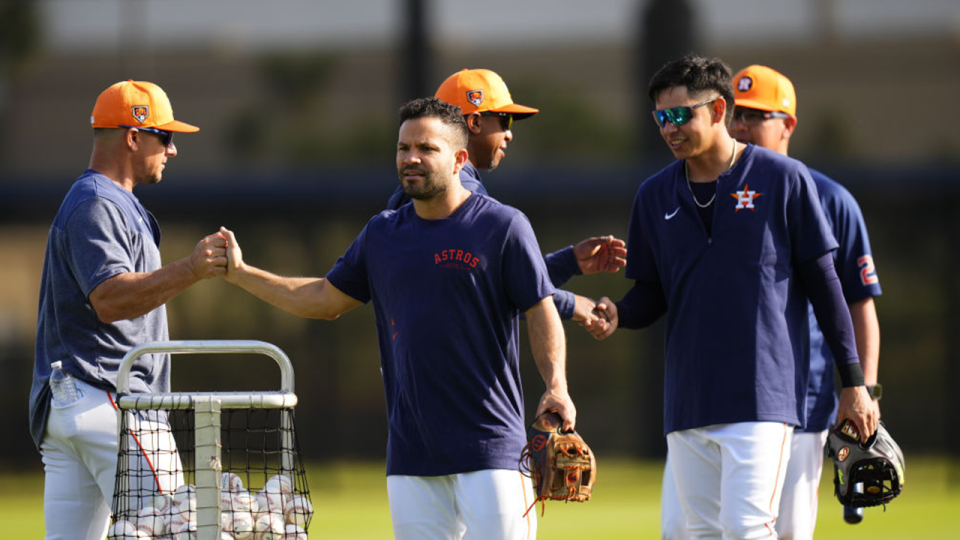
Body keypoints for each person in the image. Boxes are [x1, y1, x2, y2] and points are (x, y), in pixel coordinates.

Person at [221, 97, 576, 540]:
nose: (411, 158)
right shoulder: (382, 233)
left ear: (459, 158)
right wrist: (241, 274)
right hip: (412, 458)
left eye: (426, 148)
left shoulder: (503, 226)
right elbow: (324, 299)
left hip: (491, 449)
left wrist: (556, 385)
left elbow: (540, 308)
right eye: (403, 148)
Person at [585, 54, 879, 539]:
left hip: (763, 396)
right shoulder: (653, 195)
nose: (669, 128)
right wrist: (618, 312)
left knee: (748, 528)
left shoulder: (784, 179)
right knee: (700, 532)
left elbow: (829, 288)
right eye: (660, 117)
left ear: (719, 110)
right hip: (688, 401)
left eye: (681, 115)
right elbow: (652, 293)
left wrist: (855, 383)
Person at [28, 80, 227, 539]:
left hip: (76, 404)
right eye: (166, 136)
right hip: (110, 396)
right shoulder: (96, 202)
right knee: (178, 531)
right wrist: (192, 268)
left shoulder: (111, 201)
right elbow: (111, 299)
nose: (172, 150)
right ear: (133, 136)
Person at [387, 68, 627, 323]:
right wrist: (572, 304)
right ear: (475, 122)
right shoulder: (458, 190)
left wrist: (566, 263)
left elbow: (488, 274)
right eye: (505, 121)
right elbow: (499, 288)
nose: (509, 134)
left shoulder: (419, 189)